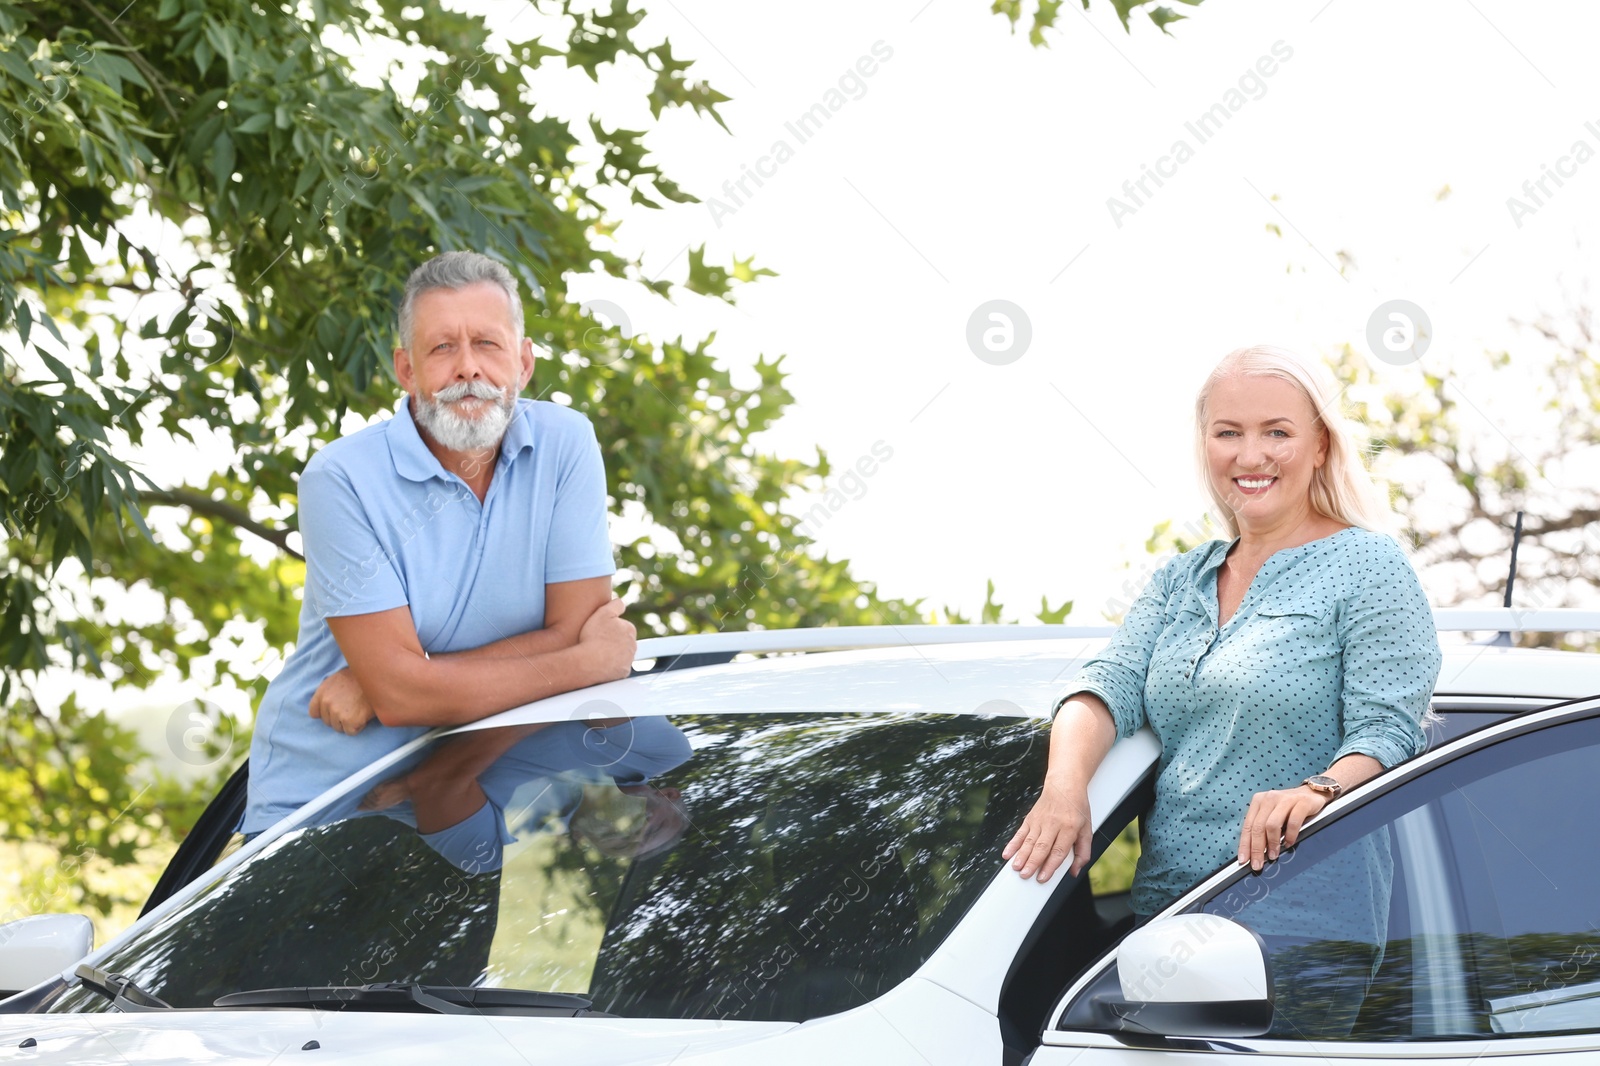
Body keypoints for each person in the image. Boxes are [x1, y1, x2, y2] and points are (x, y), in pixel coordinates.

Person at [1003, 344, 1442, 917]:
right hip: (1166, 913)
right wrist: (1064, 788)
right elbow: (1107, 687)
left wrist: (1318, 791)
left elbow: (1387, 729)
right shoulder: (1180, 578)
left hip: (1306, 917)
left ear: (1320, 447)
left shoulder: (1369, 566)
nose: (1251, 455)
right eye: (1228, 433)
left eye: (1278, 433)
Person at [242, 251, 636, 836]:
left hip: (466, 789)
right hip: (323, 806)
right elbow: (406, 693)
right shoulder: (340, 480)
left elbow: (572, 628)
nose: (467, 370)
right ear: (406, 369)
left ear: (524, 363)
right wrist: (586, 664)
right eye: (442, 348)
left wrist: (393, 680)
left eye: (488, 344)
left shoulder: (566, 445)